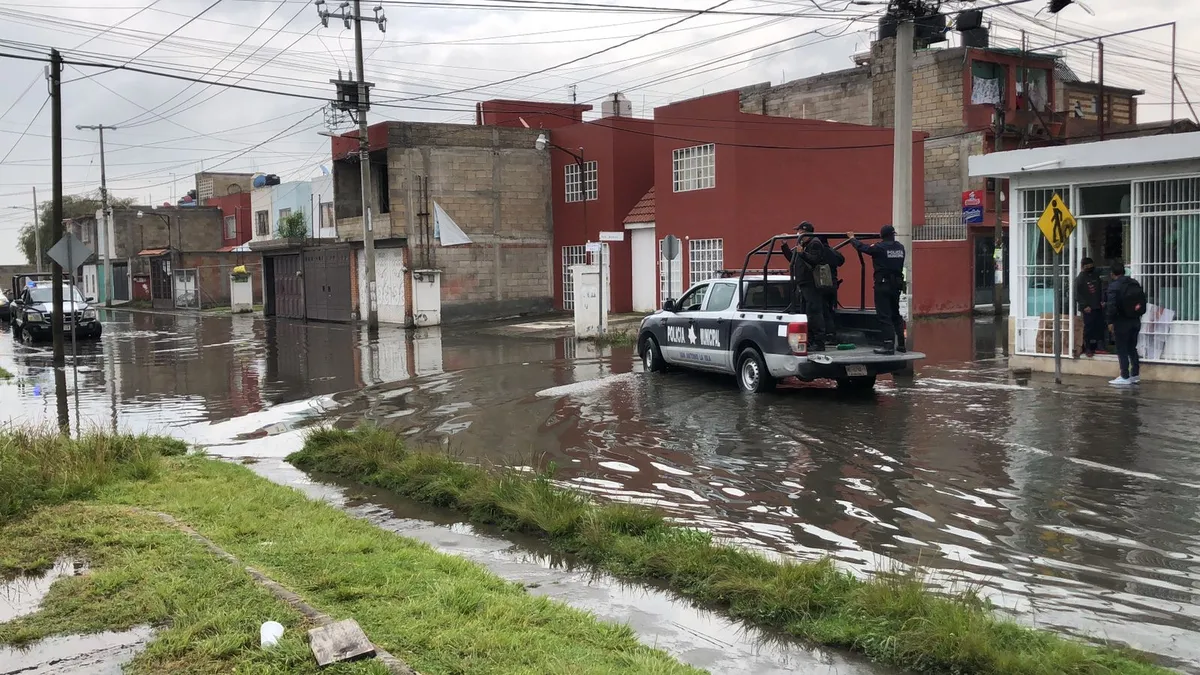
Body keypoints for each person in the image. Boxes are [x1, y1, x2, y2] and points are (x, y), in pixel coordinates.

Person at [847, 225, 906, 355]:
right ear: (893, 234)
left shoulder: (880, 248)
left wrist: (852, 239)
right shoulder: (900, 248)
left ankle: (888, 345)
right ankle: (901, 344)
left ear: (882, 235)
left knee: (884, 315)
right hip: (896, 286)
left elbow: (862, 247)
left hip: (883, 285)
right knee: (895, 314)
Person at [781, 222, 830, 351]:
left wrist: (802, 253)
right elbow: (792, 259)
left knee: (814, 313)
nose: (798, 234)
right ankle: (810, 340)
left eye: (799, 231)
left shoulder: (815, 243)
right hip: (803, 283)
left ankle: (819, 342)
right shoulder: (802, 244)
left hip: (811, 283)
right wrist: (784, 245)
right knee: (806, 313)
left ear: (805, 232)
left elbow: (815, 260)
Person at [1105, 261, 1145, 386]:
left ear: (1112, 274)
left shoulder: (1114, 286)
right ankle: (1135, 374)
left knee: (1121, 348)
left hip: (1121, 321)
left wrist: (1110, 321)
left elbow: (1111, 306)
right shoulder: (1134, 283)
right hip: (1135, 320)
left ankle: (1124, 375)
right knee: (1132, 347)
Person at [1074, 257, 1104, 357]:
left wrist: (1102, 300)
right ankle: (1088, 348)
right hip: (1088, 309)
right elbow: (1077, 294)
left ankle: (1099, 346)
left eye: (1091, 266)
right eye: (1088, 267)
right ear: (1083, 267)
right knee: (1088, 329)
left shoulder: (1095, 276)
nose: (1090, 268)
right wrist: (1084, 306)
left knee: (1099, 327)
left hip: (1098, 306)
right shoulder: (1080, 278)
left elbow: (1100, 289)